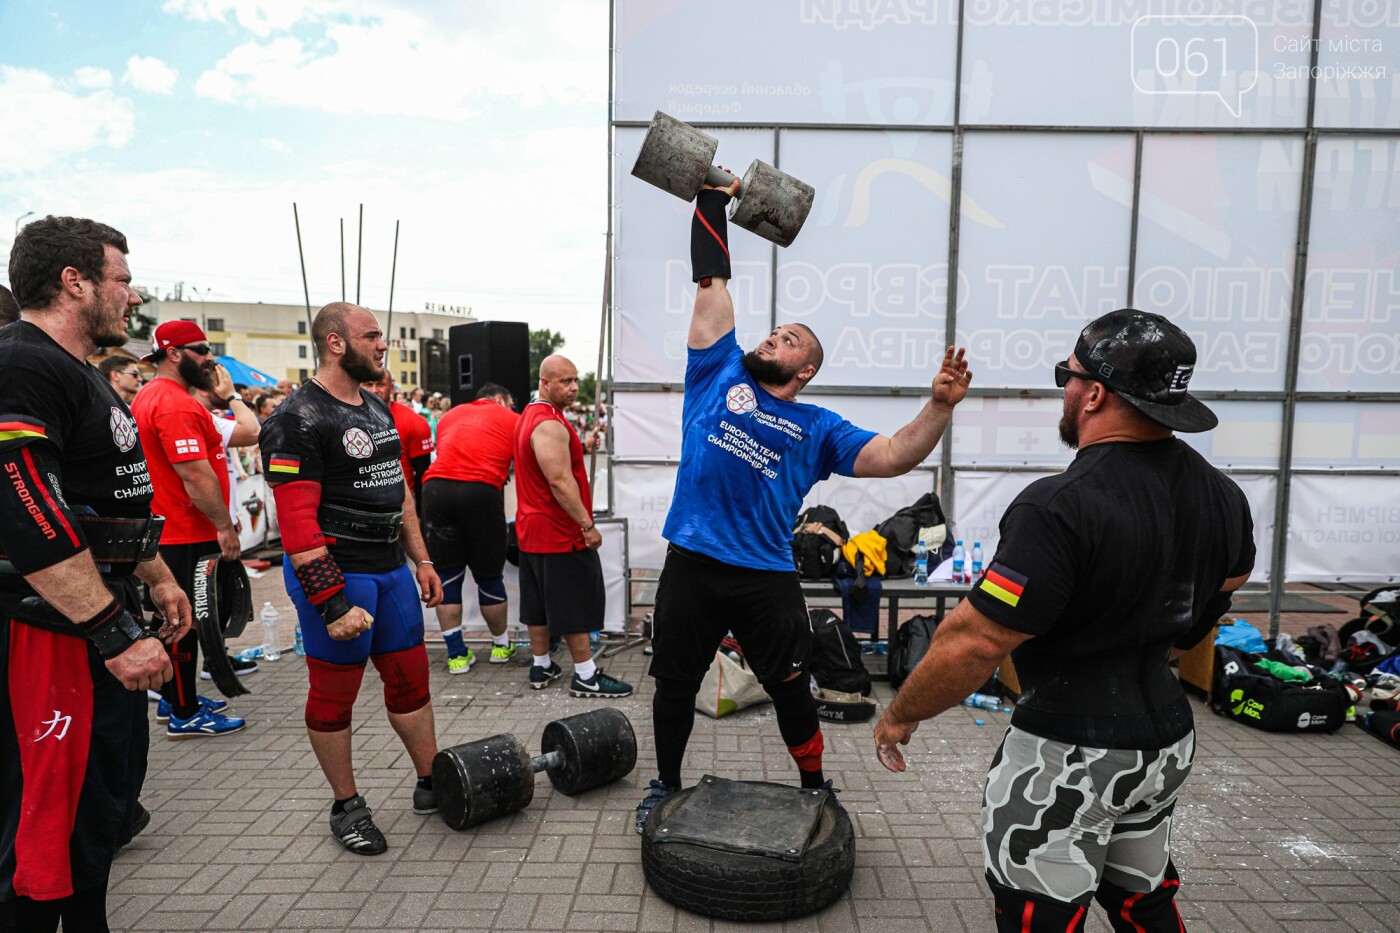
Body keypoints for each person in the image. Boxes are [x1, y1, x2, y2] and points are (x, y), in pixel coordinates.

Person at [873, 309, 1256, 932]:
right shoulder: (1223, 494)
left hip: (1068, 755)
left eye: (1066, 376)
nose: (1067, 389)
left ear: (1095, 393)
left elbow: (973, 643)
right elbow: (1227, 583)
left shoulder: (1058, 505)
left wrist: (901, 714)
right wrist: (1176, 626)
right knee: (1143, 896)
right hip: (1164, 745)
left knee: (1039, 913)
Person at [634, 177, 972, 833]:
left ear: (806, 367)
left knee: (791, 685)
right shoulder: (718, 371)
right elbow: (711, 290)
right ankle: (664, 784)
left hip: (765, 576)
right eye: (774, 332)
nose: (772, 338)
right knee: (674, 685)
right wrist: (711, 199)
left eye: (788, 339)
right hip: (692, 565)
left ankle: (816, 785)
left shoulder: (818, 426)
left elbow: (898, 453)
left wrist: (939, 406)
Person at [1, 215, 192, 929]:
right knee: (38, 836)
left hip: (94, 622)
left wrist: (160, 575)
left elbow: (103, 499)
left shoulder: (82, 373)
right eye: (122, 278)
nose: (133, 295)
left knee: (98, 816)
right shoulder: (22, 360)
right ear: (73, 281)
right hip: (46, 632)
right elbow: (28, 509)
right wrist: (115, 633)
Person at [259, 302, 445, 856]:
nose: (383, 345)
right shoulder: (295, 419)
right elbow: (295, 525)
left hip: (390, 570)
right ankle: (347, 806)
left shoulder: (377, 407)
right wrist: (332, 602)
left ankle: (432, 781)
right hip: (341, 577)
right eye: (372, 336)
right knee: (334, 695)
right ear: (336, 343)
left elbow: (401, 492)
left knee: (412, 681)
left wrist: (424, 560)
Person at [132, 321, 252, 736]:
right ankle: (184, 712)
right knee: (184, 621)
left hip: (171, 529)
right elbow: (196, 477)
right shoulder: (173, 403)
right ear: (175, 353)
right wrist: (224, 525)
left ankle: (174, 700)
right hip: (185, 531)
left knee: (175, 620)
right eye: (201, 349)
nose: (210, 357)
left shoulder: (155, 394)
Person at [514, 355, 631, 698]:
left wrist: (582, 445)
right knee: (573, 602)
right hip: (558, 530)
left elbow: (552, 458)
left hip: (532, 529)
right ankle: (586, 673)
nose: (574, 387)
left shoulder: (533, 417)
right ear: (545, 383)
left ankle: (541, 664)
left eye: (575, 380)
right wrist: (587, 525)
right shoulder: (549, 423)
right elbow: (560, 480)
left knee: (537, 603)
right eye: (565, 381)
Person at [420, 383, 519, 674]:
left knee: (448, 574)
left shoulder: (450, 415)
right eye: (511, 402)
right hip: (481, 490)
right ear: (500, 399)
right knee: (489, 575)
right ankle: (501, 646)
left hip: (435, 488)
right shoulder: (513, 419)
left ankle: (456, 655)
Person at [364, 371, 434, 509]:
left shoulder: (414, 422)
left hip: (401, 504)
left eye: (380, 385)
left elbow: (422, 474)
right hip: (363, 503)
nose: (373, 390)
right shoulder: (346, 417)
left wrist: (420, 515)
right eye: (368, 384)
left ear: (391, 387)